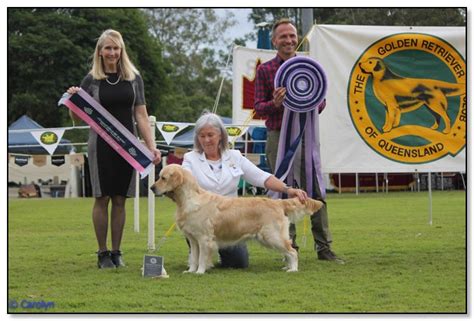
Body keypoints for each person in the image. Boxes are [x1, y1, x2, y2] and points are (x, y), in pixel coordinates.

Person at [67, 29, 161, 269]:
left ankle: (117, 252)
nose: (112, 52)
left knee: (121, 199)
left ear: (122, 51)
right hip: (100, 146)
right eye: (107, 48)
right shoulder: (91, 80)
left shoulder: (134, 78)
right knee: (102, 197)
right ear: (100, 51)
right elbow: (77, 118)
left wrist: (151, 146)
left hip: (126, 145)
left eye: (116, 48)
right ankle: (102, 253)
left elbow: (140, 114)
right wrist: (72, 100)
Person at [254, 19, 343, 263]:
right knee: (283, 193)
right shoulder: (265, 71)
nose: (289, 40)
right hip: (277, 138)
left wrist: (312, 99)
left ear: (297, 38)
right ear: (274, 41)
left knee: (315, 190)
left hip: (307, 137)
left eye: (292, 36)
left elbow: (321, 103)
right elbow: (258, 108)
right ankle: (289, 248)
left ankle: (324, 248)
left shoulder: (310, 67)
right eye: (283, 36)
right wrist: (275, 103)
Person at [182, 111, 308, 268]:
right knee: (202, 238)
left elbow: (262, 177)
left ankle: (213, 255)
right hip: (202, 220)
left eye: (210, 135)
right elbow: (183, 181)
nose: (206, 140)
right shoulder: (190, 159)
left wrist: (289, 190)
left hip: (232, 221)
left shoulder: (234, 156)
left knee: (239, 263)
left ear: (220, 135)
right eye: (202, 136)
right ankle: (200, 260)